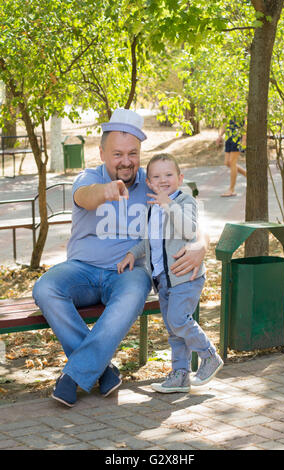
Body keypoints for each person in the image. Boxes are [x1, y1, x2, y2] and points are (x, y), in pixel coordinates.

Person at [32, 109, 207, 407]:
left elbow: (190, 213)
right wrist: (106, 191)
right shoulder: (88, 177)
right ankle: (101, 370)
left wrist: (201, 244)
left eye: (132, 153)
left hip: (127, 274)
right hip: (81, 271)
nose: (126, 161)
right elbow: (84, 196)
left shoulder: (153, 181)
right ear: (101, 153)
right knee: (45, 289)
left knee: (136, 288)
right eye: (117, 154)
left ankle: (74, 376)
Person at [117, 154, 223, 393]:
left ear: (180, 178)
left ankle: (209, 356)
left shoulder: (185, 202)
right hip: (162, 279)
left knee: (178, 320)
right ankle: (180, 374)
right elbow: (149, 240)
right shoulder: (151, 208)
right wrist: (133, 254)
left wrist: (168, 204)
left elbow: (189, 230)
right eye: (156, 176)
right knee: (173, 329)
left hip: (185, 276)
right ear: (148, 182)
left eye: (168, 175)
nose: (162, 180)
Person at [216, 118, 246, 197]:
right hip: (229, 137)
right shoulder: (230, 106)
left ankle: (231, 190)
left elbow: (246, 124)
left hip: (238, 137)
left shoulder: (243, 107)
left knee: (232, 162)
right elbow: (225, 122)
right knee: (227, 163)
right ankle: (249, 176)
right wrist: (220, 136)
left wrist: (244, 140)